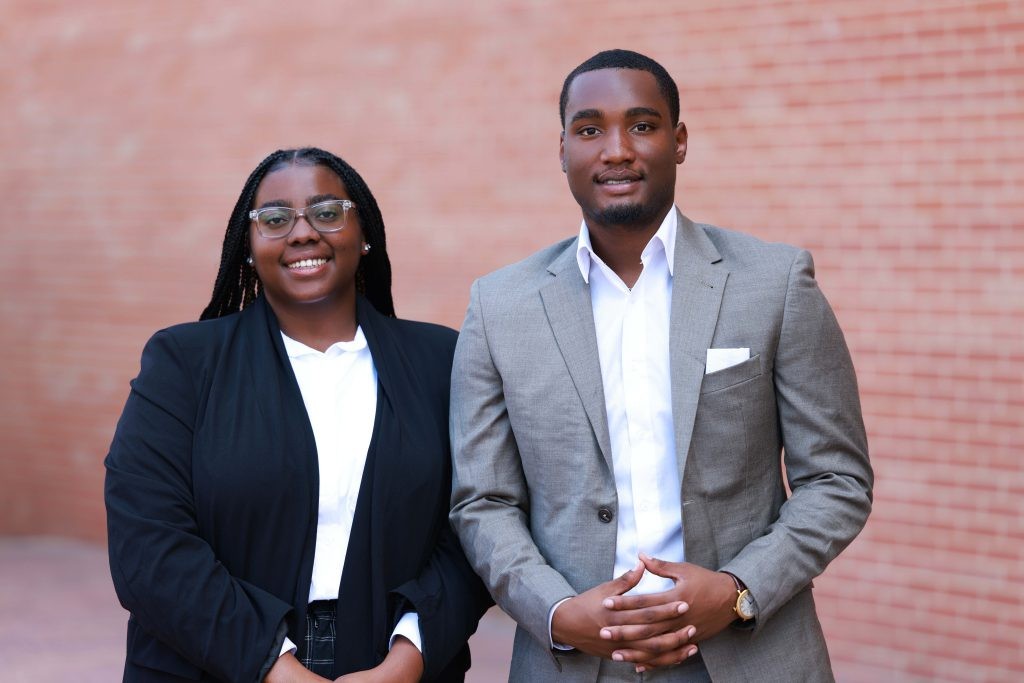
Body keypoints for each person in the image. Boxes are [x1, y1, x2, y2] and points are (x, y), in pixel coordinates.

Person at [449, 49, 873, 682]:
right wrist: (559, 612)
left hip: (750, 656)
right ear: (562, 148)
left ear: (678, 141)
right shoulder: (500, 305)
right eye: (589, 129)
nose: (616, 149)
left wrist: (736, 590)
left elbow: (836, 479)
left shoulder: (774, 282)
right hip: (571, 662)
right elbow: (482, 500)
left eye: (642, 125)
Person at [105, 147, 490, 682]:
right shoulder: (184, 364)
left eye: (327, 212)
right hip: (209, 665)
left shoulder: (441, 363)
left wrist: (409, 658)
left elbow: (476, 522)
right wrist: (276, 668)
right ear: (248, 245)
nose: (303, 232)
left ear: (365, 232)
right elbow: (148, 544)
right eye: (276, 219)